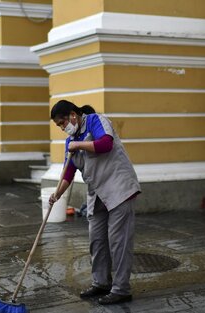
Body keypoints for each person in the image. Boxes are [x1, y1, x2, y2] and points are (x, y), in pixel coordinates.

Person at [48, 99, 140, 305]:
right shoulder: (70, 141)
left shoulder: (96, 121)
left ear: (73, 114)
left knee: (118, 241)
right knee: (97, 239)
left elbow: (105, 144)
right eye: (59, 126)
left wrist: (78, 144)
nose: (63, 128)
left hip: (119, 188)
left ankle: (121, 289)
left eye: (63, 122)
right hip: (98, 193)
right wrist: (58, 194)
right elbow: (68, 172)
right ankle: (101, 283)